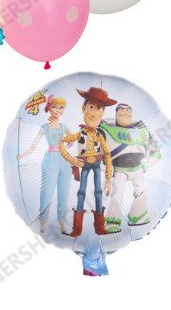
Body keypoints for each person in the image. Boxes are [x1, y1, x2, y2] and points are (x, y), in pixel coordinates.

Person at [59, 87, 117, 237]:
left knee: (98, 191)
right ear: (84, 108)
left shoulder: (99, 136)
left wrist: (108, 179)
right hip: (83, 164)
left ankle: (99, 227)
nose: (94, 113)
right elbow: (62, 142)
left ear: (103, 112)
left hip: (97, 164)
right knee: (81, 192)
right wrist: (70, 159)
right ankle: (77, 228)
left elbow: (107, 154)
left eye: (99, 108)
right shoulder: (80, 134)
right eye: (91, 107)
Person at [101, 103, 161, 233]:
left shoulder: (142, 130)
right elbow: (98, 154)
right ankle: (112, 222)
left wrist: (146, 165)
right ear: (116, 115)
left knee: (142, 193)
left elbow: (156, 151)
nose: (125, 113)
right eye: (121, 112)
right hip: (119, 169)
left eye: (128, 111)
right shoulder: (105, 130)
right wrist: (106, 169)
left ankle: (137, 217)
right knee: (117, 194)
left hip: (137, 168)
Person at [18, 96, 72, 233]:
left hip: (65, 160)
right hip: (50, 160)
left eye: (61, 108)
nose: (58, 110)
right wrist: (22, 155)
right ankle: (43, 221)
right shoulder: (44, 127)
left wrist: (66, 147)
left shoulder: (64, 126)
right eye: (55, 107)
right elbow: (33, 146)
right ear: (49, 108)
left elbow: (73, 139)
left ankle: (62, 221)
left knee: (64, 191)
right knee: (46, 191)